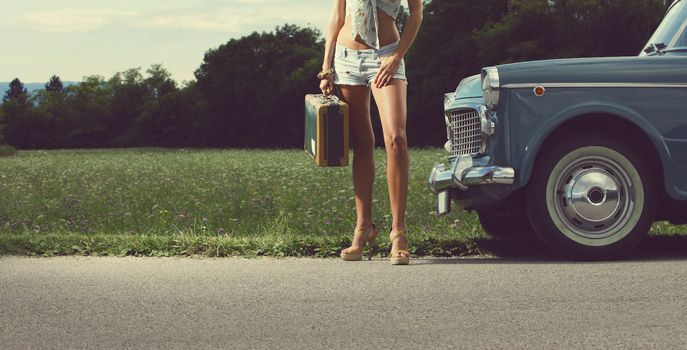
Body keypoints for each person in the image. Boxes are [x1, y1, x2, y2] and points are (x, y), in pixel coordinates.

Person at [317, 0, 422, 265]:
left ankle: (398, 233)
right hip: (346, 59)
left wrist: (397, 56)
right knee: (362, 142)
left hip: (387, 55)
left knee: (396, 138)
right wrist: (326, 66)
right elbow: (337, 15)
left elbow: (417, 13)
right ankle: (363, 229)